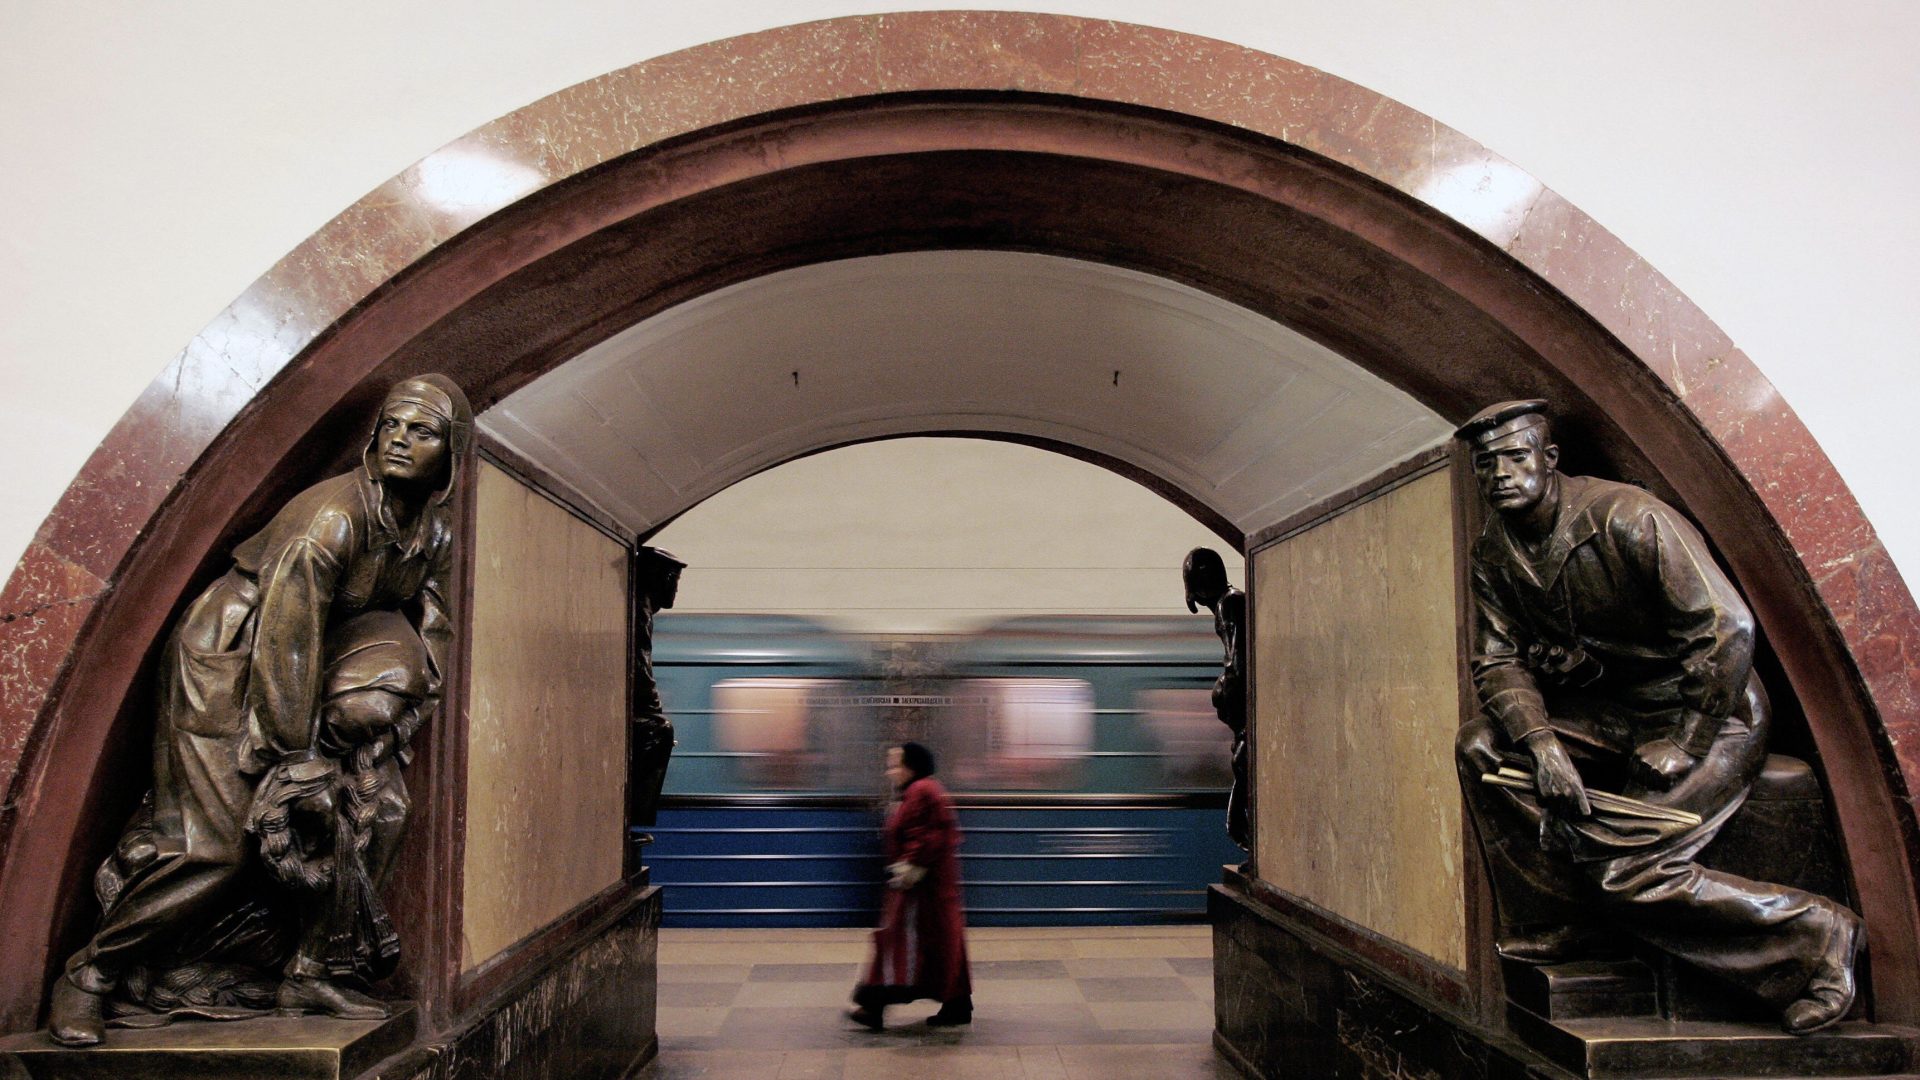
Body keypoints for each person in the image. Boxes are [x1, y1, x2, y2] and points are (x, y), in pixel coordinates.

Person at [49, 375, 470, 1046]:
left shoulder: (431, 531)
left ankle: (309, 970)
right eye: (391, 425)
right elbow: (286, 634)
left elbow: (432, 623)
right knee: (214, 848)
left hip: (313, 666)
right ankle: (91, 973)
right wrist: (296, 758)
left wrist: (411, 708)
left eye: (421, 433)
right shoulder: (330, 521)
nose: (399, 440)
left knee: (385, 809)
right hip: (231, 661)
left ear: (451, 455)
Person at [1453, 399, 1863, 1035]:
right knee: (1482, 746)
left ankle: (1816, 937)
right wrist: (1542, 746)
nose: (1501, 474)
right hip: (1612, 711)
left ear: (1549, 460)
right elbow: (1497, 664)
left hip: (1710, 710)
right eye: (1487, 465)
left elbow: (1726, 628)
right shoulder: (1493, 554)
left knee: (1625, 869)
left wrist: (1686, 738)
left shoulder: (1629, 516)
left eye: (1514, 457)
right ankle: (1567, 918)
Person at [849, 742, 972, 1030]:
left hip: (921, 889)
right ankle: (957, 1005)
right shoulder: (924, 789)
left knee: (897, 945)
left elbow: (927, 835)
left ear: (911, 766)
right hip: (932, 889)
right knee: (942, 947)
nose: (889, 771)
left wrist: (909, 867)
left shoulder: (921, 791)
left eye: (895, 764)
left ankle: (872, 1005)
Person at [1183, 547, 1248, 851]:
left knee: (1244, 769)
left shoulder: (1230, 604)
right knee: (1242, 769)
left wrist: (1226, 689)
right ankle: (1243, 835)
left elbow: (1236, 660)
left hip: (1245, 714)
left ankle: (1244, 837)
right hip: (1242, 715)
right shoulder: (1229, 603)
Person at [628, 546, 686, 846]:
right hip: (636, 712)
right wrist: (654, 709)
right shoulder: (638, 610)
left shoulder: (642, 608)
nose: (675, 588)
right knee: (660, 731)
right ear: (659, 578)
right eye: (673, 579)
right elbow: (639, 667)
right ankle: (632, 817)